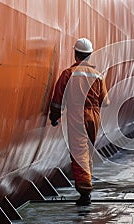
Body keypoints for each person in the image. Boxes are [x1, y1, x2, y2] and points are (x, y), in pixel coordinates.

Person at [49, 37, 109, 206]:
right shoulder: (98, 75)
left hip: (77, 118)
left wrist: (54, 117)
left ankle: (85, 192)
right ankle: (86, 185)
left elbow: (57, 100)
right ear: (89, 56)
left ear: (76, 54)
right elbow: (106, 102)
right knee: (87, 152)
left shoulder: (68, 74)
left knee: (79, 154)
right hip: (94, 118)